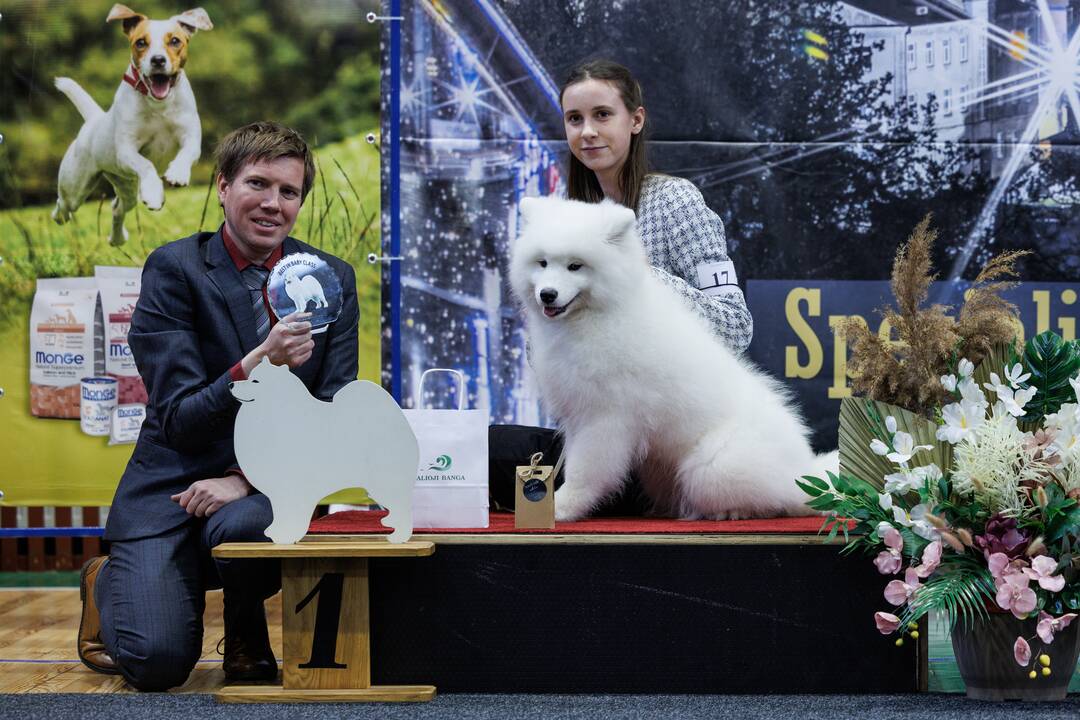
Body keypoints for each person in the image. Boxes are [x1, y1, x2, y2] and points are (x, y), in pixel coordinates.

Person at [77, 121, 359, 690]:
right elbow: (180, 417)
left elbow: (334, 409)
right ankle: (108, 582)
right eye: (258, 184)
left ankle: (245, 622)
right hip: (170, 485)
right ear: (224, 186)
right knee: (156, 665)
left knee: (250, 522)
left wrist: (246, 480)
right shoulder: (175, 269)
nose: (273, 204)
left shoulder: (331, 278)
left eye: (289, 192)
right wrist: (260, 360)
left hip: (257, 494)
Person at [490, 59, 752, 513]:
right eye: (575, 119)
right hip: (598, 434)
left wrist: (641, 277)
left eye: (602, 115)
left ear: (636, 120)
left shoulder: (675, 202)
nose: (587, 131)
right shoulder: (564, 219)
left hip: (667, 444)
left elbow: (735, 327)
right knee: (487, 449)